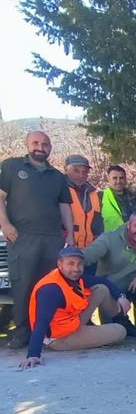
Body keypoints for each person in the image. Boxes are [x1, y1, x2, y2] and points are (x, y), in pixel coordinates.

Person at [0, 131, 74, 348]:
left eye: (45, 144)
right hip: (22, 236)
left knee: (48, 287)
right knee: (22, 286)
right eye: (36, 143)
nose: (40, 147)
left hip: (52, 239)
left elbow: (65, 208)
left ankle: (45, 330)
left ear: (50, 148)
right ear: (27, 144)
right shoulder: (12, 167)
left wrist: (70, 234)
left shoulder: (58, 177)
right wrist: (4, 224)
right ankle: (23, 332)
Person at [20, 247, 128, 369]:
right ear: (60, 264)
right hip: (61, 337)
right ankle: (117, 325)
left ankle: (120, 317)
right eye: (70, 263)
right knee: (120, 331)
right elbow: (41, 323)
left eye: (79, 264)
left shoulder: (74, 277)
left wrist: (121, 296)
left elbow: (103, 280)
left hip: (72, 320)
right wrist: (33, 354)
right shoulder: (51, 289)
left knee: (101, 289)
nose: (76, 269)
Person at [82, 212, 136, 338]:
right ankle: (121, 322)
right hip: (113, 289)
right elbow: (89, 254)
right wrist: (73, 260)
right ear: (128, 225)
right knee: (114, 332)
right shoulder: (109, 239)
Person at [65, 155, 103, 249]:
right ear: (66, 170)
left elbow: (97, 222)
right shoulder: (58, 190)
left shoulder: (93, 193)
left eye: (85, 172)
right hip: (66, 249)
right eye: (76, 171)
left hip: (90, 250)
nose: (81, 175)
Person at [102, 165, 136, 232]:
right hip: (108, 239)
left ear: (125, 179)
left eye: (121, 178)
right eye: (115, 178)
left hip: (129, 239)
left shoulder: (134, 199)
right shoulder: (100, 197)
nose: (118, 181)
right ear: (108, 179)